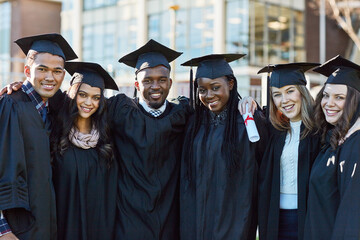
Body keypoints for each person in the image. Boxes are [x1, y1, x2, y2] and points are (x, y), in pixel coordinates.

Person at [107, 39, 192, 239]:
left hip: (170, 221)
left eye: (162, 80)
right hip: (129, 221)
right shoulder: (120, 112)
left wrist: (247, 103)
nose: (155, 86)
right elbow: (79, 105)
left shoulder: (183, 114)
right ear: (136, 84)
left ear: (170, 83)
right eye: (147, 80)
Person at [179, 54, 268, 240]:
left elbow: (264, 168)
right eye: (202, 90)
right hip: (196, 223)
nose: (209, 95)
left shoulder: (249, 121)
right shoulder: (193, 123)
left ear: (231, 84)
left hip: (236, 224)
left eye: (215, 87)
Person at [0, 33, 77, 240]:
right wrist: (2, 229)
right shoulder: (10, 105)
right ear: (27, 70)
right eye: (42, 69)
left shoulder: (54, 109)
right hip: (16, 229)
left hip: (46, 225)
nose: (50, 77)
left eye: (57, 71)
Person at [241, 63, 321, 240]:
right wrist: (247, 101)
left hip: (308, 218)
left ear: (302, 92)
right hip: (274, 218)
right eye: (277, 94)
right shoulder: (273, 132)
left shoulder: (319, 131)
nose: (284, 100)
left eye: (290, 91)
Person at [50, 62, 119, 240]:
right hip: (64, 231)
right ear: (72, 94)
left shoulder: (108, 140)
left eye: (96, 97)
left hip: (101, 232)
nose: (89, 102)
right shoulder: (55, 135)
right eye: (82, 95)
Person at [304, 55, 360, 240]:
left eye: (339, 97)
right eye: (326, 95)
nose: (329, 103)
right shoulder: (331, 139)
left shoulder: (355, 146)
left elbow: (352, 217)